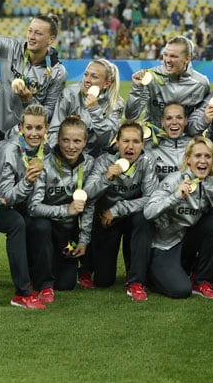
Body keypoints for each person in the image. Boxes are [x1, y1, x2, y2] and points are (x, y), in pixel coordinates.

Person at [144, 136, 213, 299]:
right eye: (198, 156)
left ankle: (202, 281)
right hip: (167, 244)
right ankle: (153, 274)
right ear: (188, 159)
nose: (203, 161)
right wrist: (176, 196)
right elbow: (149, 211)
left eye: (208, 157)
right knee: (181, 291)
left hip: (188, 243)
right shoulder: (173, 180)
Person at [0, 15, 67, 144]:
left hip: (24, 137)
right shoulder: (10, 48)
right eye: (30, 31)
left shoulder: (58, 72)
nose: (31, 37)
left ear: (51, 39)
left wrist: (28, 101)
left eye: (38, 33)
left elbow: (49, 114)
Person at [83, 121, 158, 300]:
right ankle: (87, 268)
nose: (130, 147)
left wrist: (118, 209)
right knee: (103, 280)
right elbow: (86, 194)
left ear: (142, 144)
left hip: (131, 217)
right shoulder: (104, 162)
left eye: (135, 142)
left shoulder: (147, 162)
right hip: (107, 220)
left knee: (144, 219)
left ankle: (136, 281)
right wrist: (107, 178)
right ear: (117, 143)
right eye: (125, 141)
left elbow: (152, 199)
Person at [0, 104, 51, 308]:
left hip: (27, 205)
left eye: (39, 128)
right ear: (21, 128)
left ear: (46, 129)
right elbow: (6, 196)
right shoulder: (10, 151)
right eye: (29, 128)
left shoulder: (48, 151)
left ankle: (43, 284)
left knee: (42, 225)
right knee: (17, 223)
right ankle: (22, 293)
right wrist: (27, 182)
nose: (34, 133)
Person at [28, 115, 95, 298]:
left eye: (77, 141)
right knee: (40, 226)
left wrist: (83, 240)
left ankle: (48, 272)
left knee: (66, 284)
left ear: (85, 142)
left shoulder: (90, 165)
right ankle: (44, 284)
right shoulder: (45, 165)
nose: (71, 146)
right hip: (46, 230)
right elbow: (33, 207)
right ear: (58, 140)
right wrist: (66, 210)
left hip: (68, 232)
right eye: (65, 140)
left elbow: (89, 205)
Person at [127, 36, 210, 136]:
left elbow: (200, 119)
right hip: (154, 139)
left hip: (184, 141)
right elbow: (131, 116)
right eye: (165, 55)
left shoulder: (201, 84)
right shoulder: (151, 77)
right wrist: (137, 88)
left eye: (173, 56)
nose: (167, 60)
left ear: (187, 59)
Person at [48, 58, 123, 157]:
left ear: (106, 84)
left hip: (96, 158)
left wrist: (94, 110)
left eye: (94, 77)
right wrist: (59, 155)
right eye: (86, 74)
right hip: (66, 154)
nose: (87, 80)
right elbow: (54, 130)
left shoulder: (116, 104)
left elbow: (106, 140)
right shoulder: (69, 94)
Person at [144, 102, 192, 181]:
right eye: (169, 118)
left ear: (186, 120)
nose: (174, 122)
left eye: (179, 118)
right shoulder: (149, 146)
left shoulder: (195, 146)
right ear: (162, 121)